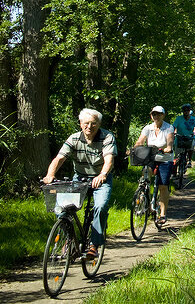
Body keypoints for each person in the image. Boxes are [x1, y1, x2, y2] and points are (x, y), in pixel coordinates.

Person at [42, 108, 116, 260]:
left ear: (99, 124)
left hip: (101, 177)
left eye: (93, 123)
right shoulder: (74, 138)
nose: (89, 127)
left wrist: (102, 174)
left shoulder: (107, 137)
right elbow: (59, 158)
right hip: (80, 178)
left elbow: (109, 159)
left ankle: (94, 245)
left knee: (100, 206)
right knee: (61, 208)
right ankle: (69, 240)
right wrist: (50, 175)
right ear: (80, 124)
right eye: (86, 123)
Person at [134, 105, 174, 226]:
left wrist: (168, 148)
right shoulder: (148, 128)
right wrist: (135, 148)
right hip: (150, 157)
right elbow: (140, 141)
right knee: (146, 173)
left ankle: (162, 214)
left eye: (159, 114)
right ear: (151, 116)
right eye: (154, 114)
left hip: (164, 158)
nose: (156, 116)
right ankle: (143, 194)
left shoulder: (169, 128)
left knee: (163, 186)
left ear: (163, 115)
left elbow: (170, 141)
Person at [172, 104, 195, 168]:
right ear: (183, 112)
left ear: (189, 111)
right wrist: (172, 133)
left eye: (187, 110)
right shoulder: (179, 119)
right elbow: (174, 126)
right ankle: (174, 170)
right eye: (184, 111)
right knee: (176, 154)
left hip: (189, 137)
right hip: (180, 137)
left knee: (191, 146)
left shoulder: (193, 119)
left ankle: (189, 160)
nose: (186, 112)